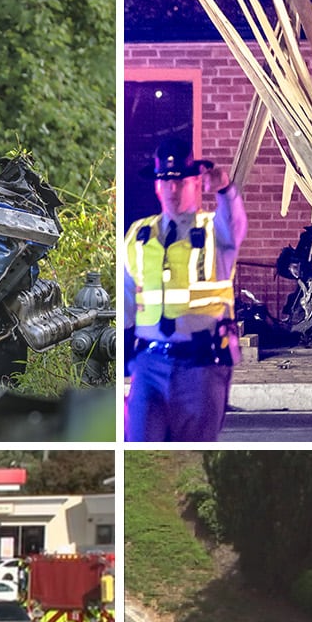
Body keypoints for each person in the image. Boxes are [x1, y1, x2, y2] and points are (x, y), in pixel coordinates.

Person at [122, 137, 248, 441]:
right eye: (165, 182)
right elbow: (124, 305)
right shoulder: (139, 234)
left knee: (189, 457)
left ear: (195, 183)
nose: (172, 189)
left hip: (201, 366)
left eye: (180, 181)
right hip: (149, 365)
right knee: (138, 448)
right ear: (156, 186)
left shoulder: (213, 230)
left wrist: (225, 191)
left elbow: (235, 225)